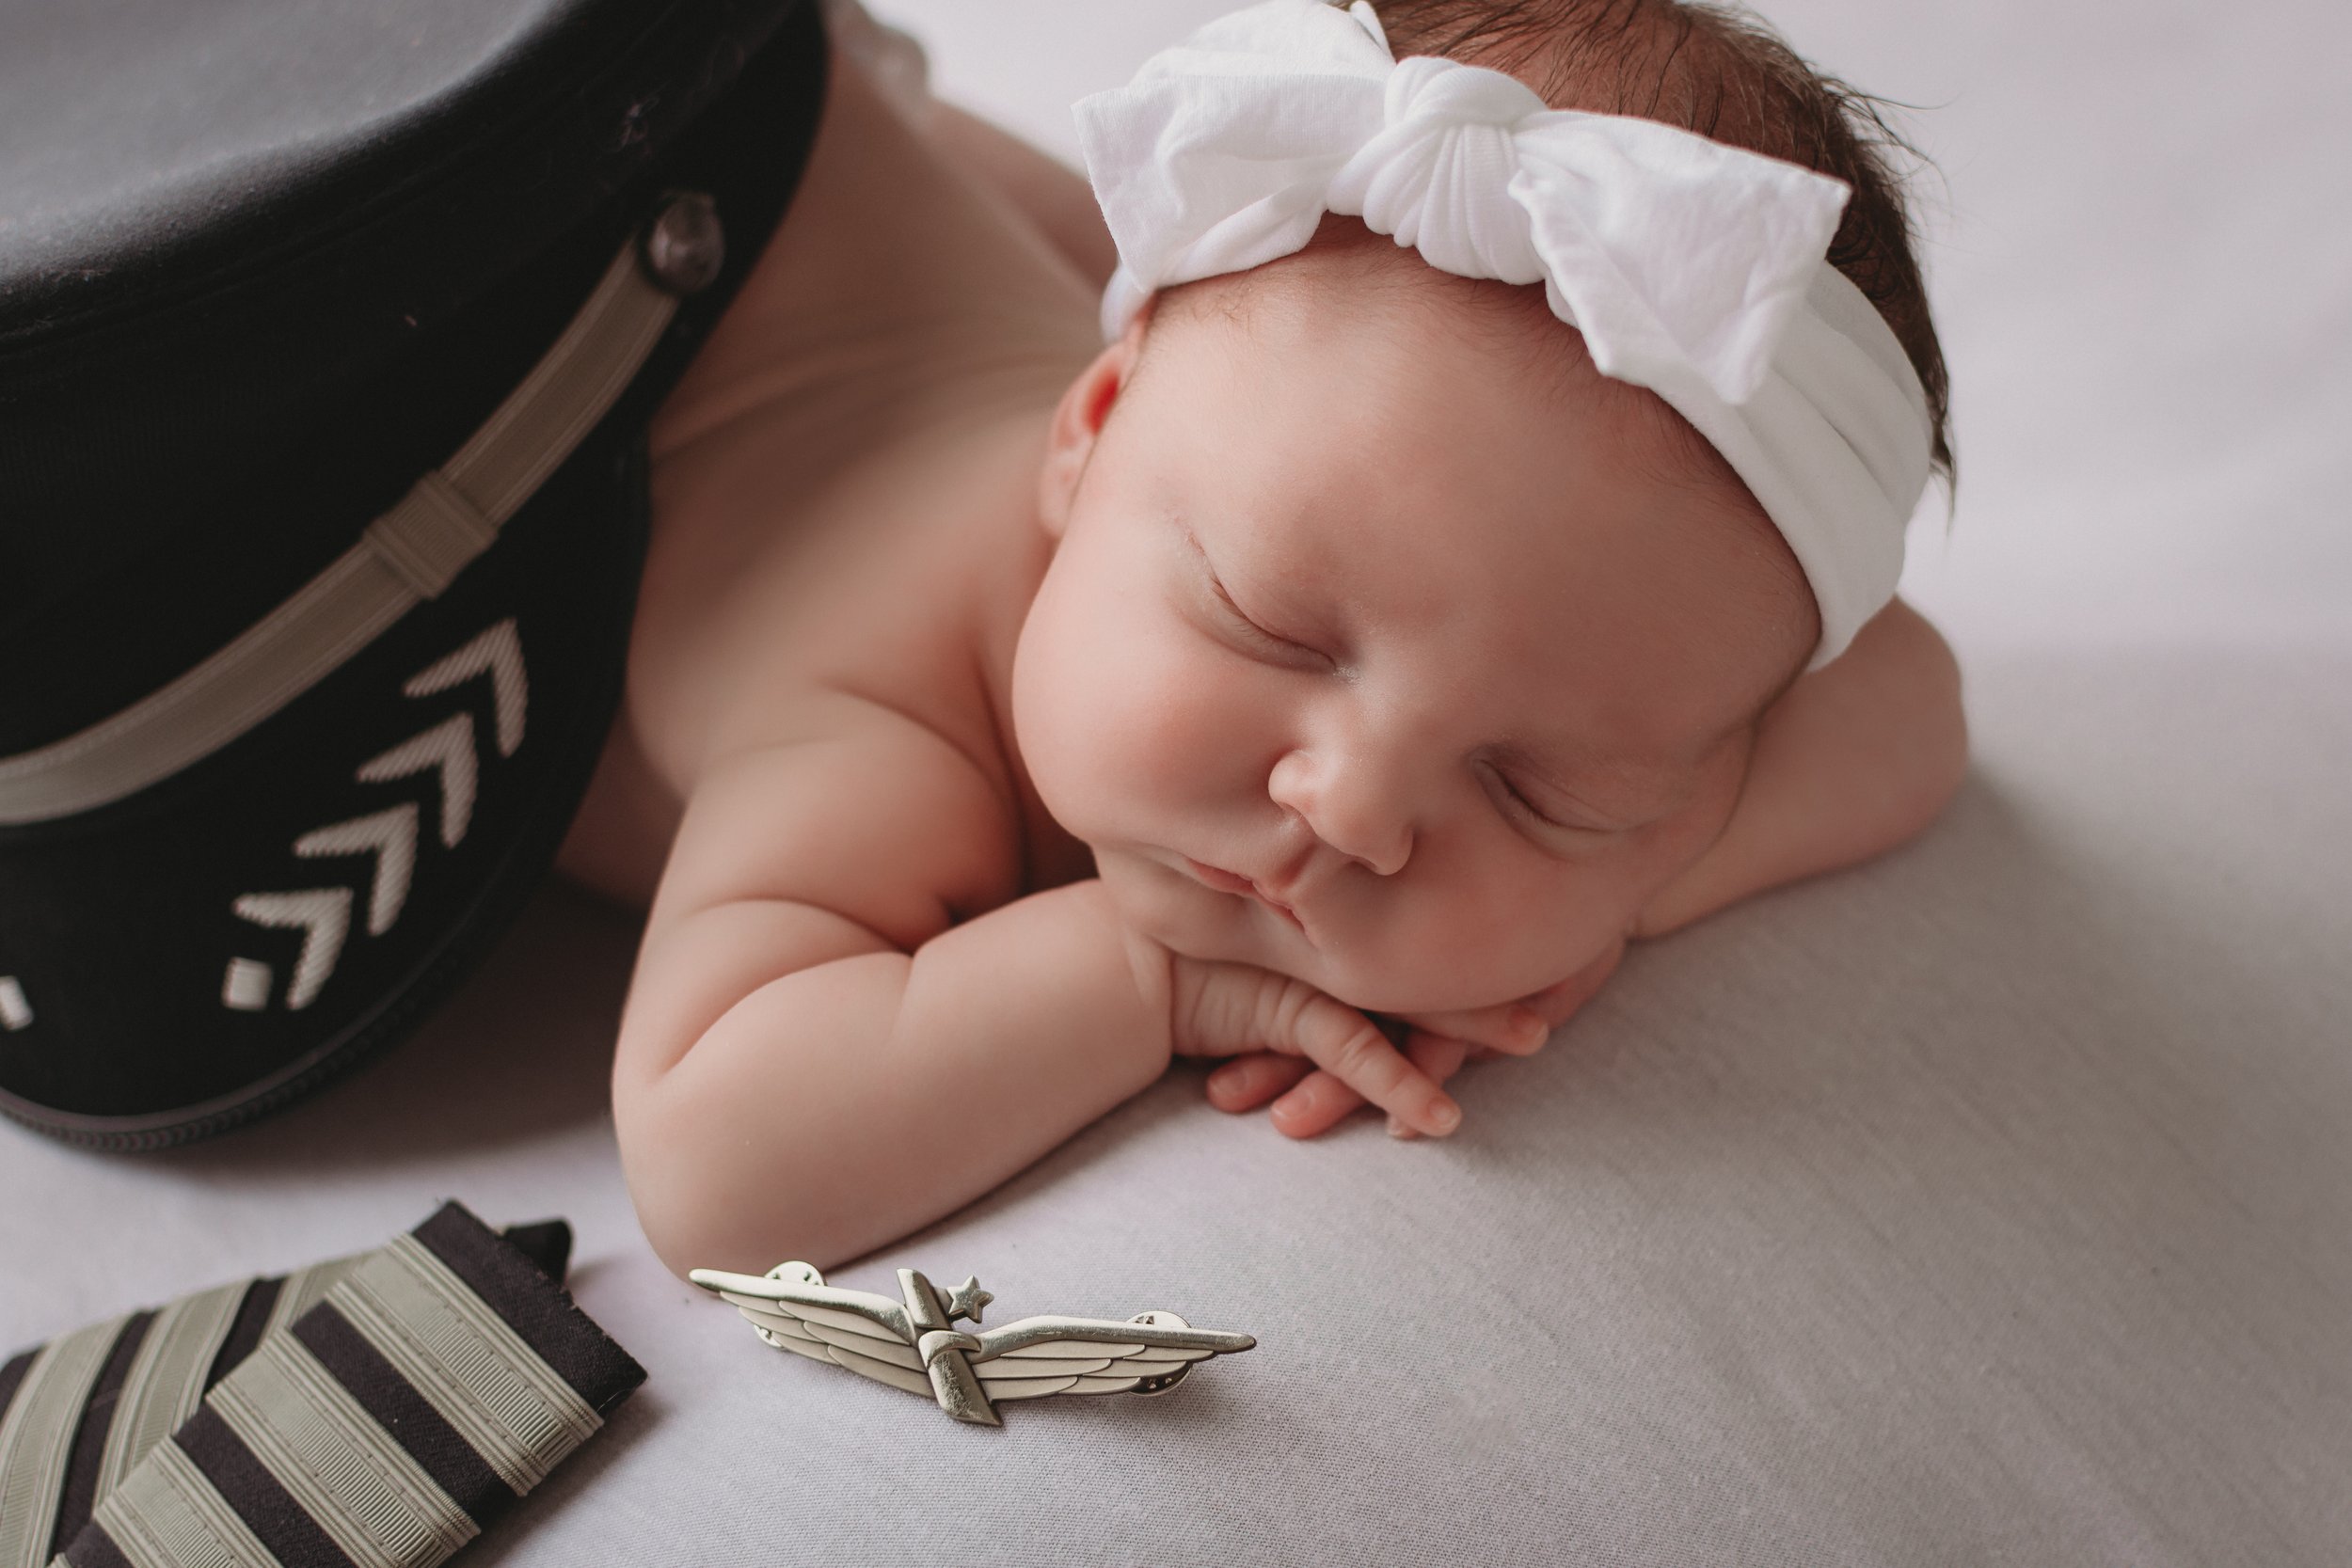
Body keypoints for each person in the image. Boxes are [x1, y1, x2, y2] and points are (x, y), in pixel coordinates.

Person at [562, 0, 1968, 1275]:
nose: (1352, 810)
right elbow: (714, 1163)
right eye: (1277, 631)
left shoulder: (1285, 503)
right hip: (554, 250)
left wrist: (1603, 889)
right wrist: (1161, 976)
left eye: (1540, 787)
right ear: (1090, 432)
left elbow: (1912, 700)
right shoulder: (878, 701)